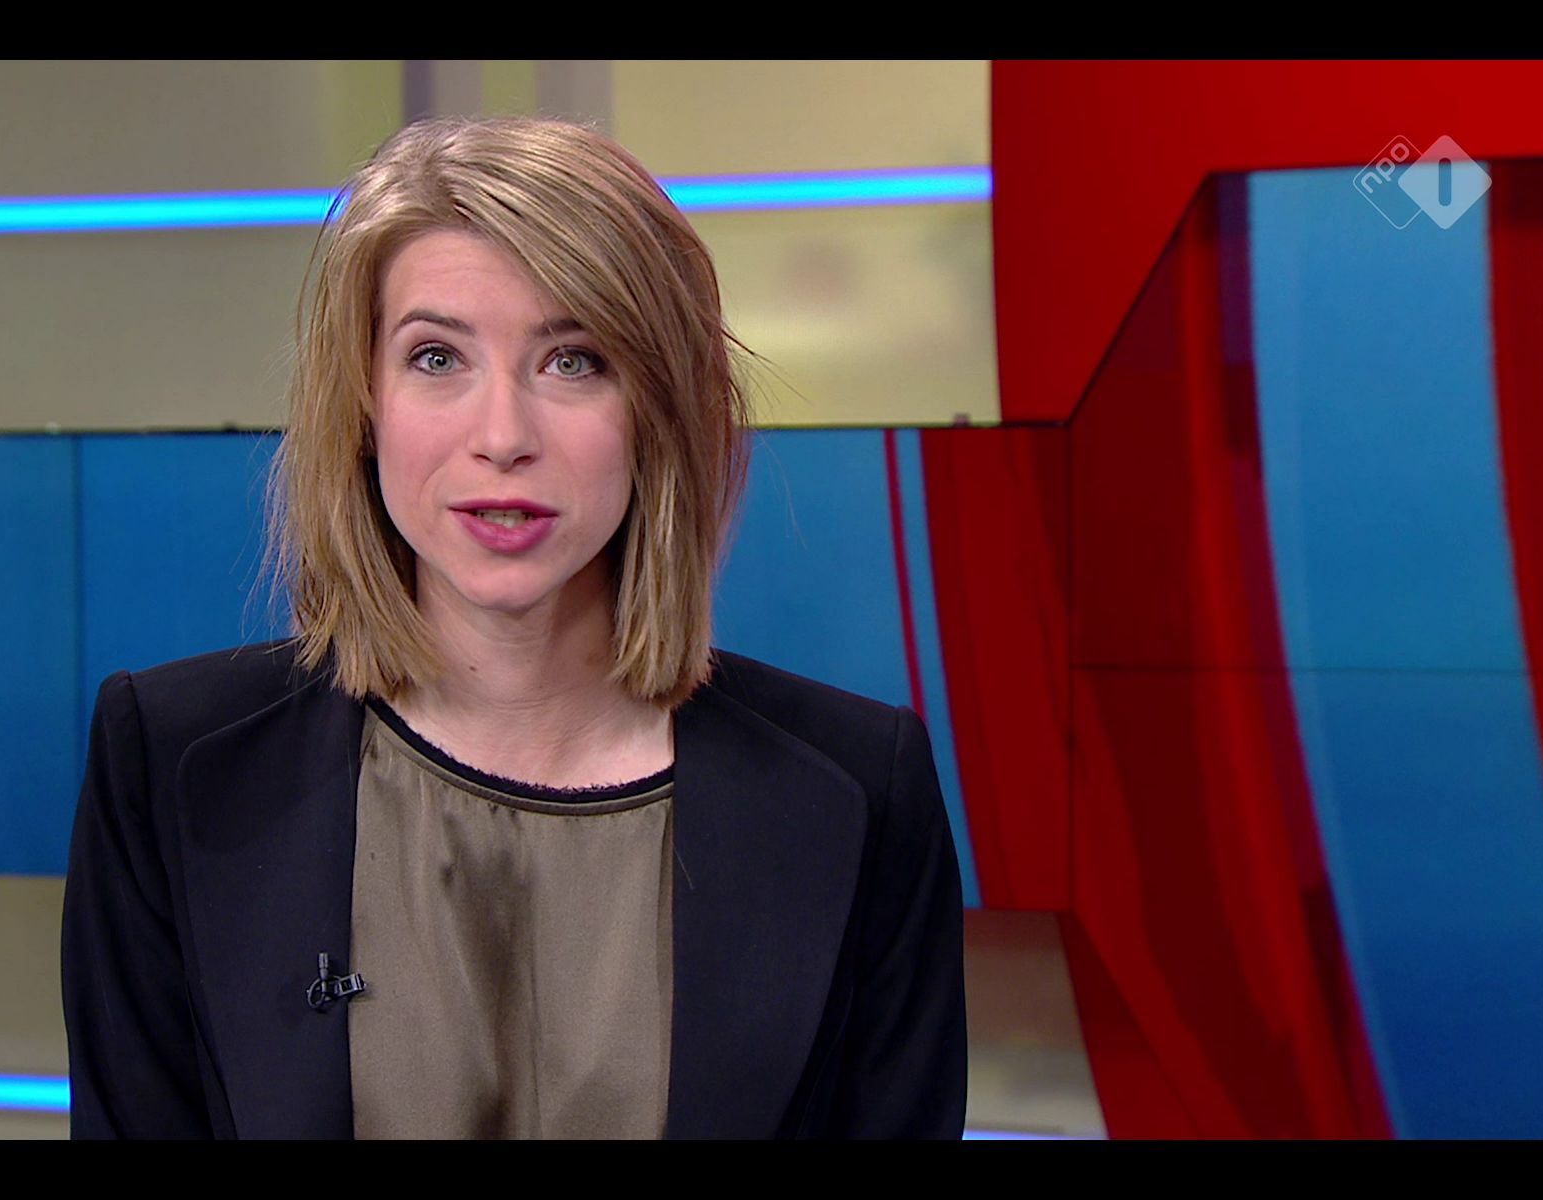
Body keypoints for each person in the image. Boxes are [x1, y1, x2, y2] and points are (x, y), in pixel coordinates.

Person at [59, 115, 967, 1139]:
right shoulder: (172, 762)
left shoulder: (859, 790)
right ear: (364, 406)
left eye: (573, 361)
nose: (502, 436)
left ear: (657, 412)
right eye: (436, 357)